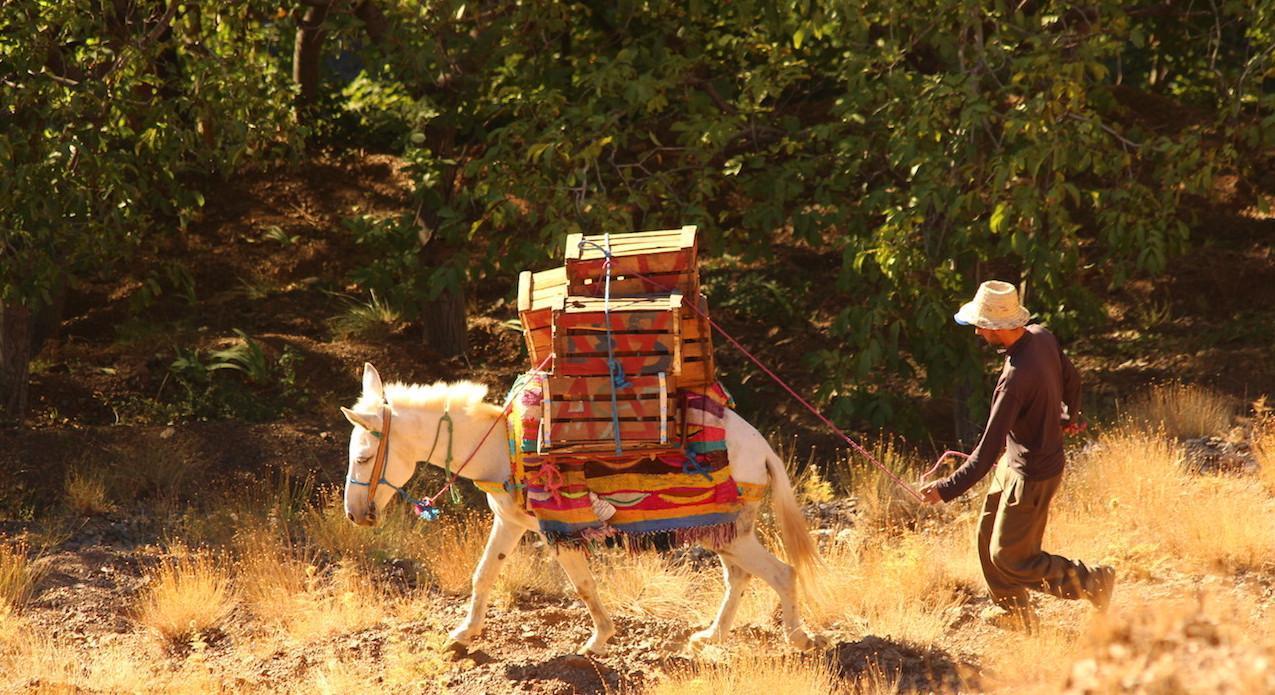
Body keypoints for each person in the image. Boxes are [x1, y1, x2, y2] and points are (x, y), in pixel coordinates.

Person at [920, 280, 1114, 630]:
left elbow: (984, 454)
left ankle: (1092, 582)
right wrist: (1071, 415)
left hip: (1033, 475)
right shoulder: (1041, 336)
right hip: (1015, 462)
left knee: (1010, 557)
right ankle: (1014, 613)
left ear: (997, 327)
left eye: (982, 324)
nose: (978, 330)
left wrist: (944, 489)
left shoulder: (1013, 381)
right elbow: (1073, 379)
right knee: (986, 534)